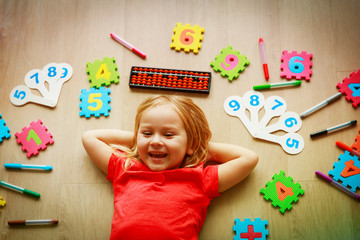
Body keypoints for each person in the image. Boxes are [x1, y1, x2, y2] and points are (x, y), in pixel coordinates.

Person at [82, 95, 258, 240]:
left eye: (168, 135)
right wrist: (138, 141)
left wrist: (196, 146)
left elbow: (248, 158)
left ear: (190, 143)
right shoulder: (126, 168)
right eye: (148, 133)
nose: (156, 141)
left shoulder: (199, 178)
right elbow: (90, 137)